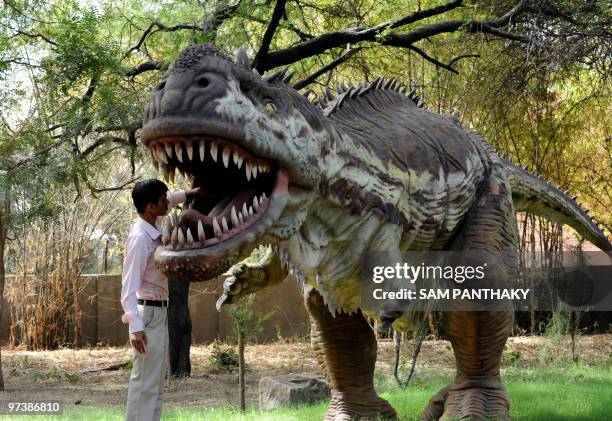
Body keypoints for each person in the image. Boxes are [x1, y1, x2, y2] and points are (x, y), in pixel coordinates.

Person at [120, 179, 202, 421]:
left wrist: (190, 193)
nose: (168, 201)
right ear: (150, 207)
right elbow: (128, 289)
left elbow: (173, 198)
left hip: (158, 312)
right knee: (144, 383)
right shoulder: (140, 239)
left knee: (154, 384)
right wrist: (136, 329)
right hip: (148, 315)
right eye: (162, 200)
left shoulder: (153, 223)